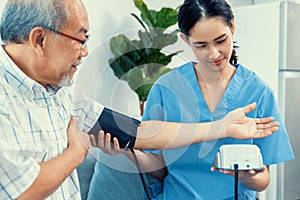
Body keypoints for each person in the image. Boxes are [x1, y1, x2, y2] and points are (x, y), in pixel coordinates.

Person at [0, 0, 281, 199]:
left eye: (220, 41)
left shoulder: (64, 94)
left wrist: (222, 128)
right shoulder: (5, 97)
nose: (85, 52)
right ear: (39, 40)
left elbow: (139, 132)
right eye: (80, 39)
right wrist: (77, 153)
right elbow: (22, 190)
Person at [96, 0, 294, 199]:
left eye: (220, 40)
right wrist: (126, 152)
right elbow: (158, 166)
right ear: (185, 39)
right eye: (201, 45)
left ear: (232, 26)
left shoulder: (258, 93)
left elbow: (263, 179)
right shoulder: (166, 89)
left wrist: (248, 177)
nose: (213, 54)